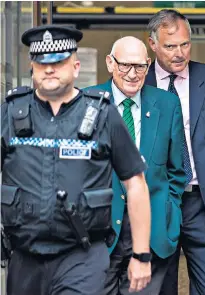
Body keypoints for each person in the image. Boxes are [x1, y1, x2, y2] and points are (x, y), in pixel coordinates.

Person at [1, 25, 151, 295]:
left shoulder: (103, 115)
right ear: (32, 66)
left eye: (59, 62)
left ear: (76, 66)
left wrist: (141, 255)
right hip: (24, 258)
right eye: (42, 62)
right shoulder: (11, 113)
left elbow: (136, 183)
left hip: (81, 257)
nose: (50, 69)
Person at [145, 9, 205, 295]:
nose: (179, 53)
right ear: (153, 45)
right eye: (170, 46)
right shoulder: (137, 83)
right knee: (157, 288)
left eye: (185, 44)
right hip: (156, 204)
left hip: (204, 203)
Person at [85, 36, 186, 295]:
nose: (132, 74)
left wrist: (168, 211)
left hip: (152, 236)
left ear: (148, 65)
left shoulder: (167, 104)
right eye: (124, 65)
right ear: (110, 63)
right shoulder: (88, 103)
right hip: (101, 234)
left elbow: (177, 170)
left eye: (139, 67)